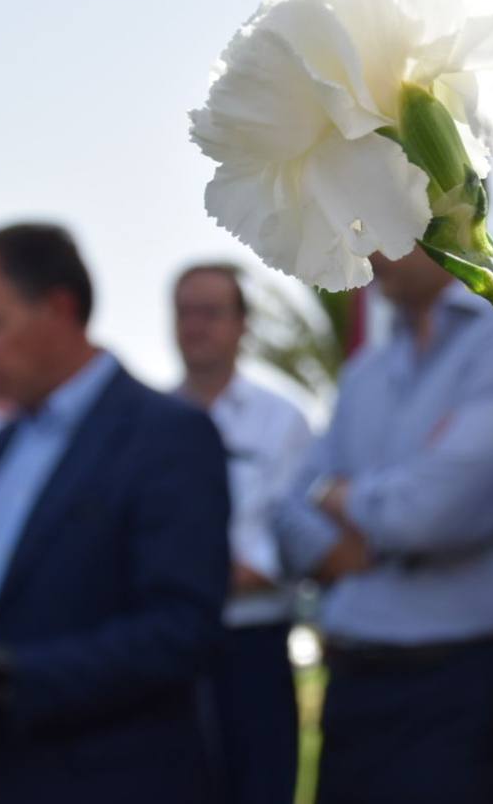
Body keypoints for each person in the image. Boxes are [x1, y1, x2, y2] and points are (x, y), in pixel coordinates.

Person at [0, 224, 230, 804]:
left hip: (108, 776)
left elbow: (182, 630)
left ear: (57, 309)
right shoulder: (3, 444)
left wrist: (7, 671)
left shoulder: (166, 434)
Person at [276, 246, 493, 804]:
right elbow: (290, 513)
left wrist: (344, 502)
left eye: (384, 223)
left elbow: (430, 516)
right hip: (355, 688)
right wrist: (383, 512)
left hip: (457, 693)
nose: (370, 248)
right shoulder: (366, 372)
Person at [173, 262, 313, 804]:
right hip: (170, 652)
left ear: (242, 324)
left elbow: (291, 541)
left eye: (210, 312)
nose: (195, 327)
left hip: (251, 648)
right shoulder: (149, 422)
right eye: (185, 313)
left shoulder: (283, 420)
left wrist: (193, 577)